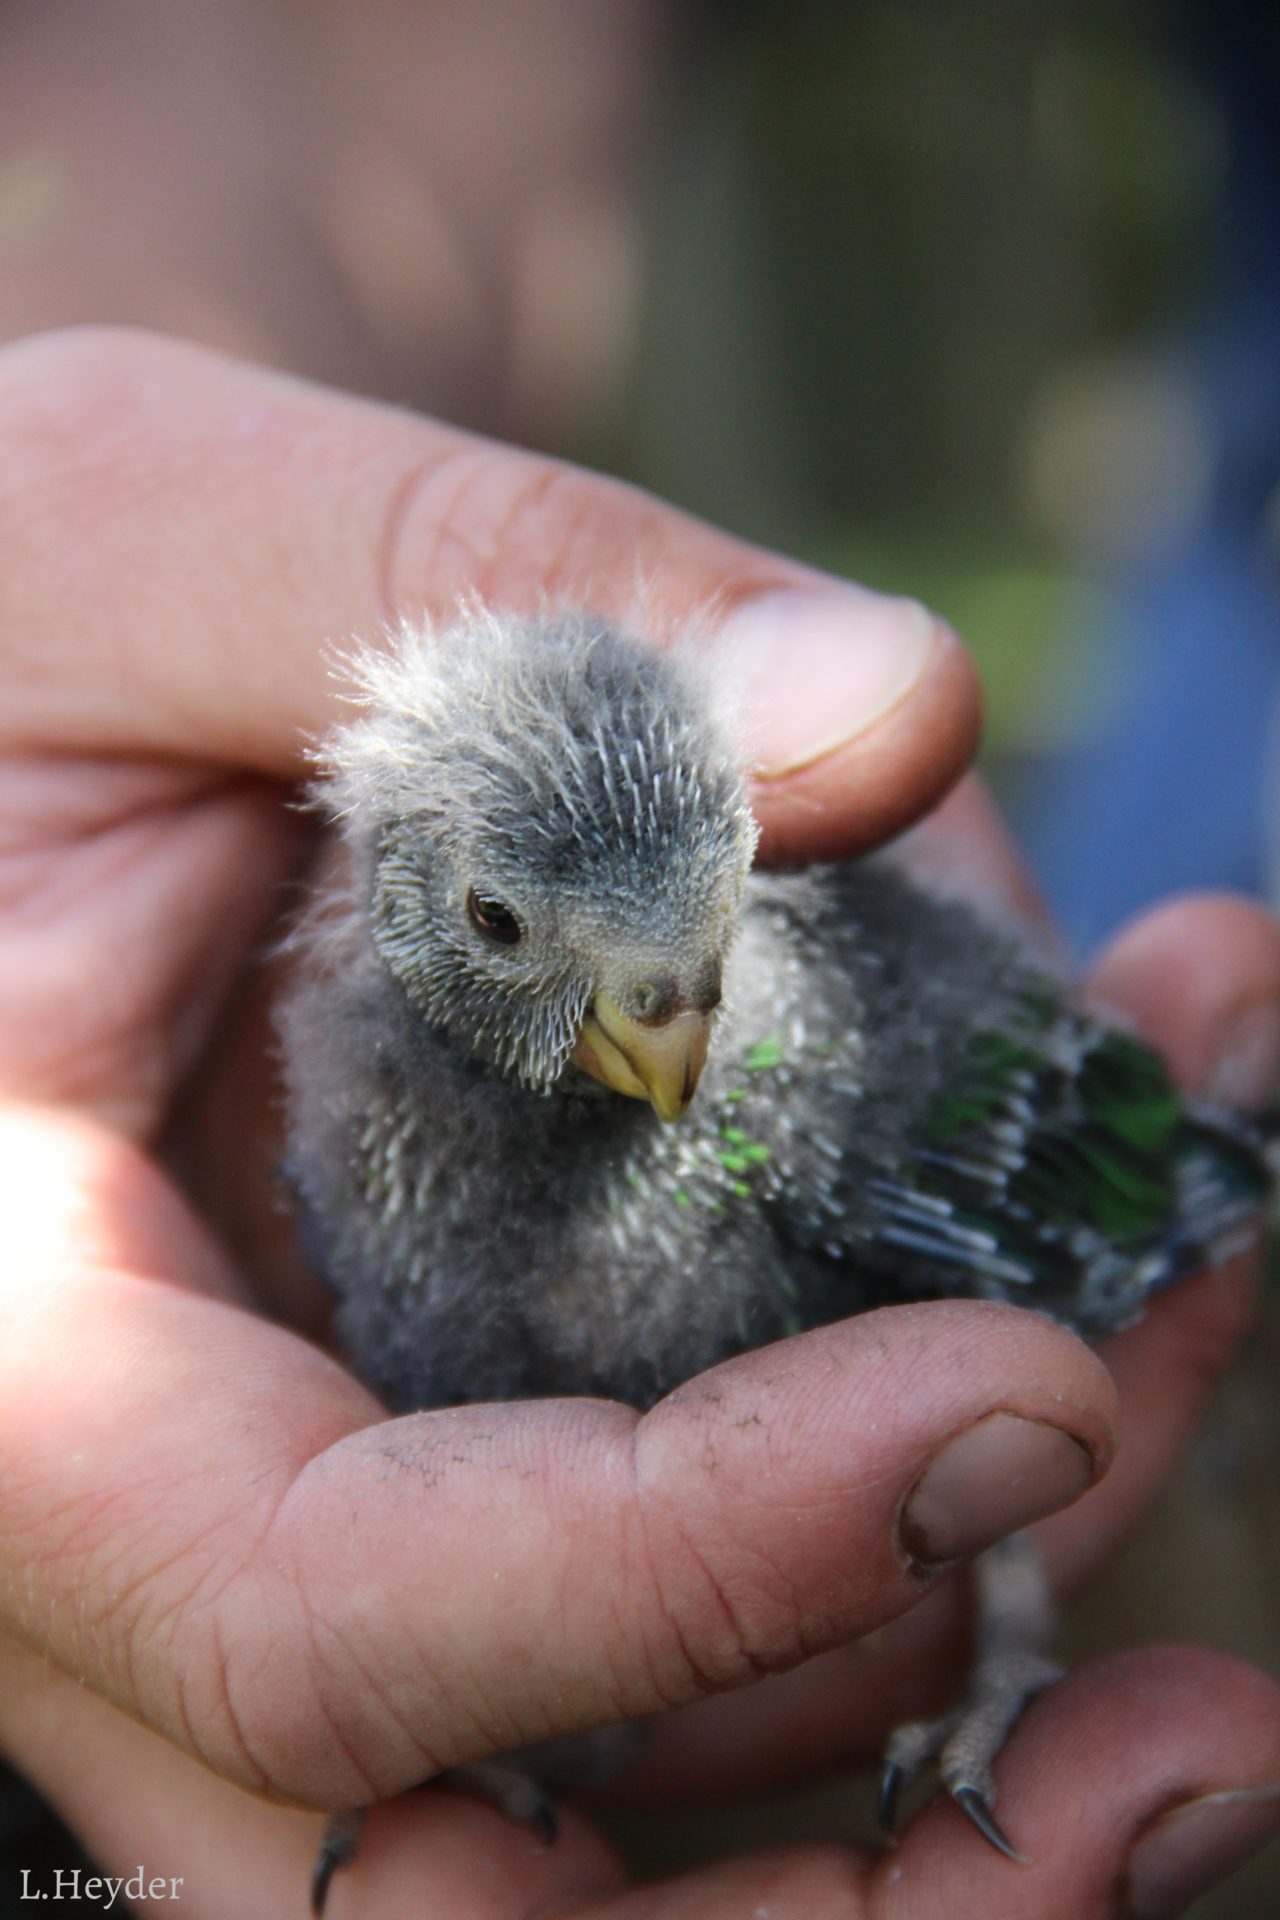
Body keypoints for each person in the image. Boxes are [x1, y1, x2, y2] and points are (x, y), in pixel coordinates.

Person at [0, 328, 1276, 1917]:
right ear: (406, 882)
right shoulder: (343, 1108)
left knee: (1025, 1410)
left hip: (1050, 1456)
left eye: (700, 944)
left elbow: (1101, 1197)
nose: (668, 1040)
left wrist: (1007, 1631)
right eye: (503, 926)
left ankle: (1004, 1617)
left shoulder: (815, 1069)